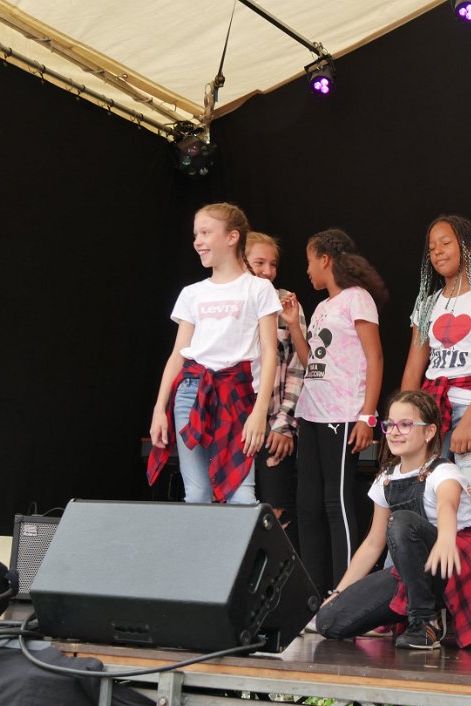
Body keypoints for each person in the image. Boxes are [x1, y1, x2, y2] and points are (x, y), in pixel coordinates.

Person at [400, 215, 471, 646]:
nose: (437, 252)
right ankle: (415, 611)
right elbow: (414, 368)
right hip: (430, 413)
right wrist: (404, 422)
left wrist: (469, 420)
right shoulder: (427, 303)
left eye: (445, 243)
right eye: (431, 246)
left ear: (467, 245)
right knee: (417, 506)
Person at [315, 390, 471, 649]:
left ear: (429, 432)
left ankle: (425, 622)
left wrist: (445, 538)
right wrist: (338, 593)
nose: (394, 432)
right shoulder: (385, 479)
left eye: (405, 424)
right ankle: (419, 611)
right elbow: (373, 544)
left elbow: (447, 504)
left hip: (452, 560)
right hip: (412, 573)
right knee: (328, 622)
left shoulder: (443, 471)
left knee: (400, 521)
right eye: (389, 425)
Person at [148, 203, 280, 505]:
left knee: (241, 495)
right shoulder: (192, 293)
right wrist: (159, 408)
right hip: (191, 392)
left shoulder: (258, 289)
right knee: (197, 494)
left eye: (206, 232)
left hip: (237, 395)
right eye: (196, 234)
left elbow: (269, 352)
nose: (198, 241)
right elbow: (178, 355)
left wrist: (260, 411)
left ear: (232, 237)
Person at [282, 229, 386, 598]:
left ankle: (346, 591)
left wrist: (367, 416)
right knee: (307, 504)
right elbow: (312, 362)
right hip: (311, 413)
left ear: (325, 259)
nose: (307, 270)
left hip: (342, 414)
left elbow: (375, 357)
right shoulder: (322, 307)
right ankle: (314, 592)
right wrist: (294, 325)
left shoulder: (358, 299)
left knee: (336, 501)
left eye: (310, 261)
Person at [244, 231, 305, 550]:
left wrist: (284, 424)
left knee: (277, 514)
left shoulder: (286, 303)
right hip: (235, 426)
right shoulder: (229, 300)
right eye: (259, 263)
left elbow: (298, 369)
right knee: (235, 509)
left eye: (273, 264)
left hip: (272, 428)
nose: (267, 271)